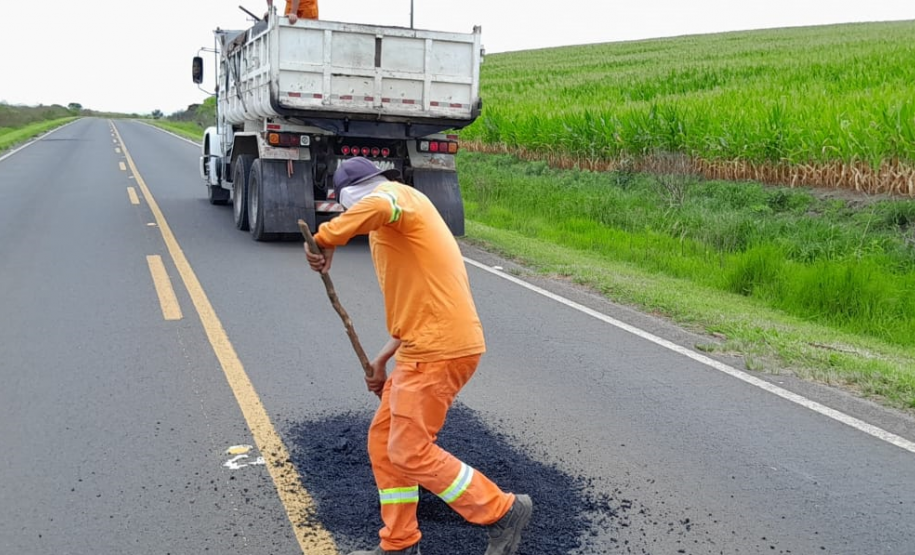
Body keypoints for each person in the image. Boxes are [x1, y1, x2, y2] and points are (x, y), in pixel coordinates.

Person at [304, 157, 533, 555]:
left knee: (409, 450)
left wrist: (326, 238)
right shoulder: (396, 228)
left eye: (348, 209)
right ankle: (400, 543)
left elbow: (378, 204)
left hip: (439, 350)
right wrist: (381, 360)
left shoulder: (397, 196)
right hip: (423, 346)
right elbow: (416, 308)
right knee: (383, 441)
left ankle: (502, 510)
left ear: (351, 199)